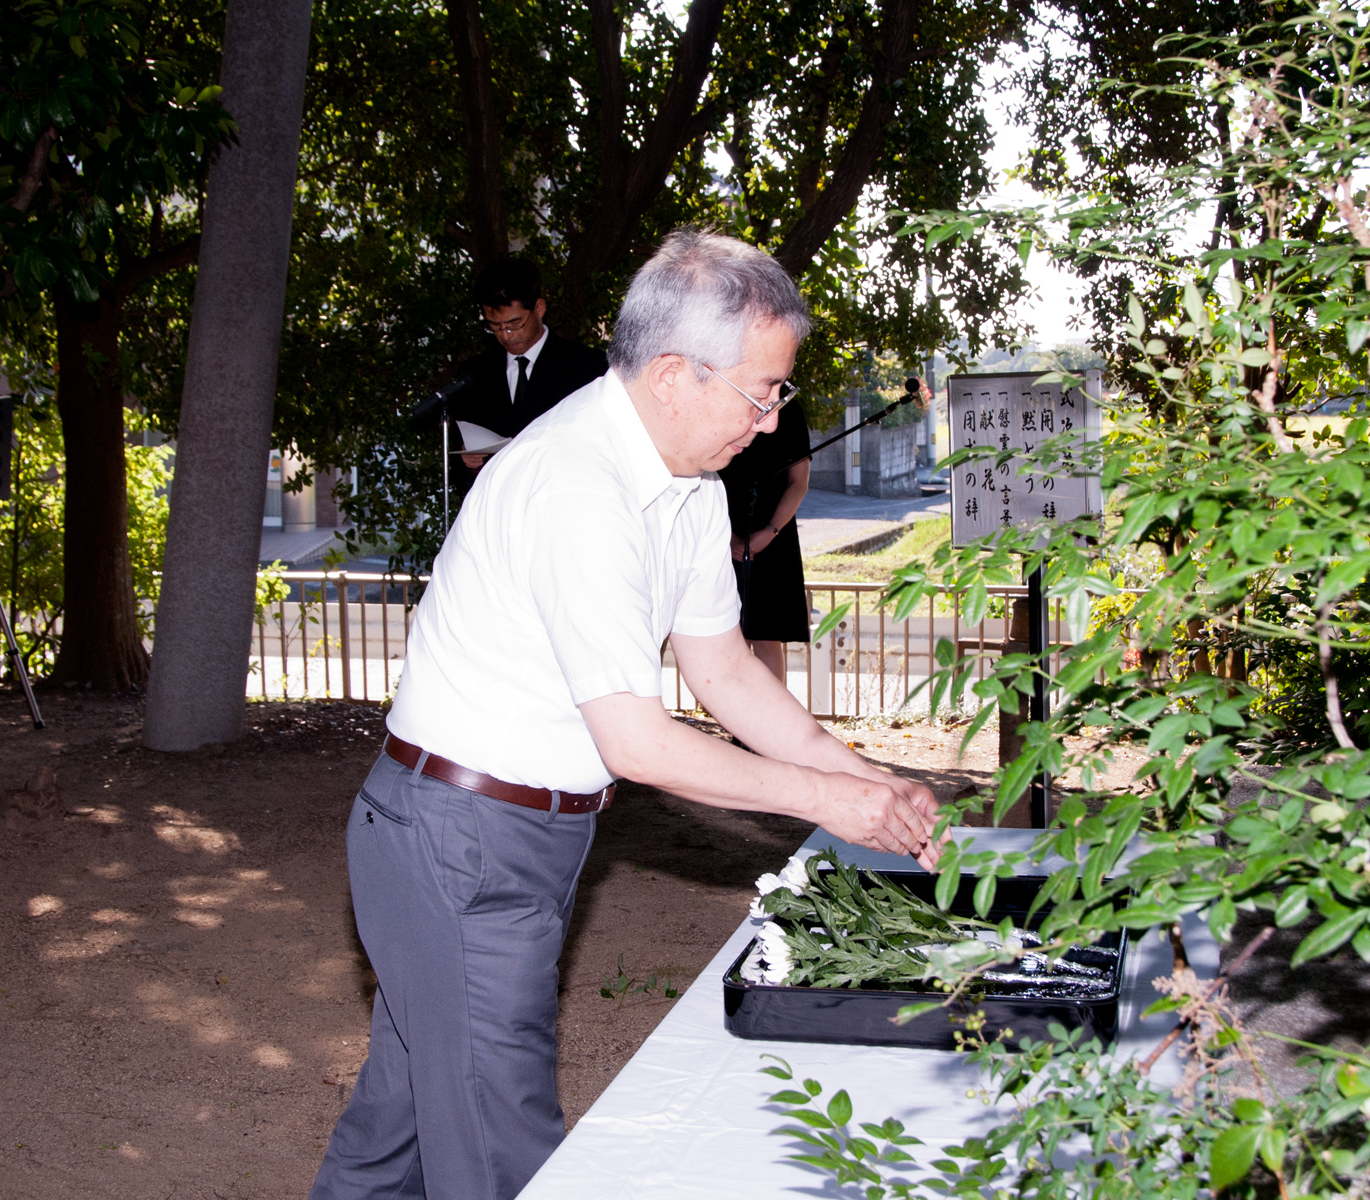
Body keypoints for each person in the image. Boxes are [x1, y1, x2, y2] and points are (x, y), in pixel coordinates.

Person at [308, 230, 943, 1200]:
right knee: (500, 1159)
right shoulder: (576, 482)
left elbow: (727, 675)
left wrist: (867, 785)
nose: (772, 423)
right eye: (762, 392)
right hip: (456, 845)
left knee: (394, 1130)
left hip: (518, 839)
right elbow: (637, 741)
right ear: (676, 375)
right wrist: (825, 802)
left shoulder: (685, 488)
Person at [451, 256, 607, 469]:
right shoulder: (475, 373)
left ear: (539, 308)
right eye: (495, 326)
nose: (506, 336)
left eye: (515, 323)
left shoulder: (587, 367)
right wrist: (465, 459)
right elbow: (457, 455)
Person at [718, 398, 812, 683]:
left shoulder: (790, 410)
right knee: (725, 635)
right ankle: (735, 720)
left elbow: (799, 484)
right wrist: (727, 536)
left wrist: (769, 532)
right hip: (720, 531)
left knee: (766, 637)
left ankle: (769, 724)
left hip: (773, 537)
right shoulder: (723, 399)